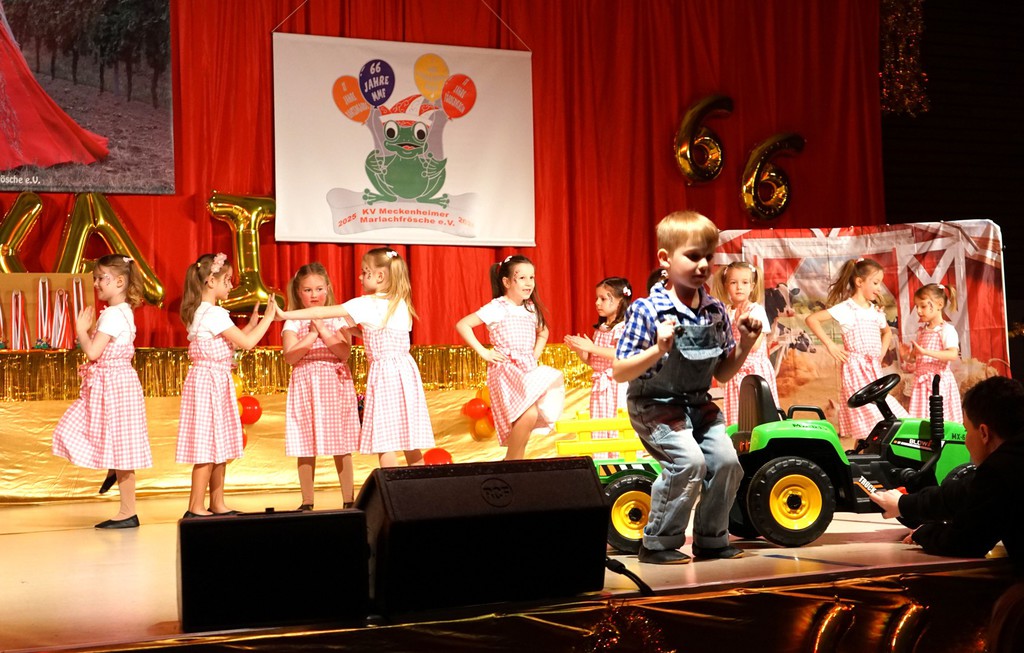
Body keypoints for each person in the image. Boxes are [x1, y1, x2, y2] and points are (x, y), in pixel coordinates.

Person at [613, 211, 762, 564]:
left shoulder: (715, 311)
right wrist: (657, 349)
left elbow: (722, 372)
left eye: (708, 256)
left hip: (698, 405)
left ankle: (711, 539)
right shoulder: (647, 310)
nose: (703, 265)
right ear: (665, 259)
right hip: (655, 404)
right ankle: (658, 544)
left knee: (727, 462)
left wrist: (745, 345)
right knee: (688, 463)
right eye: (693, 256)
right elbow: (620, 371)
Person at [867, 375, 1024, 651]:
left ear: (984, 433)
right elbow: (965, 492)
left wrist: (924, 533)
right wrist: (904, 504)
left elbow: (965, 541)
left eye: (966, 430)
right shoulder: (1009, 459)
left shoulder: (1001, 469)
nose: (966, 440)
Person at [278, 247, 434, 467]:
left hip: (385, 375)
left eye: (365, 272)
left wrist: (284, 314)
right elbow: (383, 333)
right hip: (406, 372)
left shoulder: (365, 303)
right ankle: (420, 485)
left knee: (385, 439)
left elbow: (320, 312)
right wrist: (359, 332)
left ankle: (392, 486)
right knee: (408, 436)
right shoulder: (400, 301)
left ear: (380, 276)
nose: (360, 277)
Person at [52, 255, 151, 528]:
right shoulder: (124, 311)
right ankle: (113, 469)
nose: (95, 283)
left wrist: (81, 331)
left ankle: (127, 511)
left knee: (119, 446)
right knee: (117, 441)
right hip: (118, 382)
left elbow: (94, 352)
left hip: (114, 385)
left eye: (100, 278)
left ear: (119, 282)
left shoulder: (112, 314)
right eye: (95, 278)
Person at [177, 253, 277, 518]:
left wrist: (252, 324)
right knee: (208, 446)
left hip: (213, 381)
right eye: (228, 280)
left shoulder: (203, 312)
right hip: (210, 383)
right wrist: (268, 318)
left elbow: (232, 342)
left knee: (218, 443)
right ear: (211, 281)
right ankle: (196, 506)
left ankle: (217, 502)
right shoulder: (213, 313)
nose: (231, 286)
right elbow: (247, 344)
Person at [456, 254, 565, 460]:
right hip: (506, 371)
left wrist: (533, 355)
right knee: (528, 414)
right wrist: (484, 352)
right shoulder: (498, 307)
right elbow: (463, 325)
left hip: (526, 369)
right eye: (522, 278)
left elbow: (543, 332)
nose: (529, 283)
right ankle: (511, 462)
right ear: (506, 282)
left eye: (531, 277)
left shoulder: (530, 308)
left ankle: (514, 463)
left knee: (526, 419)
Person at [281, 263, 360, 510]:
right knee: (305, 443)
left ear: (327, 288)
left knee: (341, 442)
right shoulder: (293, 321)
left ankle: (349, 499)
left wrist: (323, 329)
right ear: (298, 292)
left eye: (318, 289)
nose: (314, 295)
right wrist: (311, 334)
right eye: (307, 290)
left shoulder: (337, 318)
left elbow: (344, 352)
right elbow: (290, 356)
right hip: (305, 383)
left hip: (334, 382)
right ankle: (307, 501)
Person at [805, 257, 907, 441]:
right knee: (868, 415)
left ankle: (871, 450)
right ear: (859, 282)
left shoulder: (875, 311)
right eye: (875, 283)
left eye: (880, 283)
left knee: (886, 414)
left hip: (873, 370)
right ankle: (865, 450)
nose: (879, 288)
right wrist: (830, 345)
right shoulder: (847, 308)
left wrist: (881, 353)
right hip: (855, 370)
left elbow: (887, 333)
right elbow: (812, 319)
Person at [564, 277, 632, 446]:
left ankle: (618, 458)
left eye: (603, 299)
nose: (597, 303)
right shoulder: (602, 328)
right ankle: (602, 458)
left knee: (616, 425)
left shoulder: (622, 327)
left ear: (620, 301)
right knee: (599, 425)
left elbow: (621, 354)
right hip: (601, 386)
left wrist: (592, 348)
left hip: (616, 385)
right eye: (597, 298)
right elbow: (594, 362)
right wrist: (581, 350)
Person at [713, 261, 778, 426]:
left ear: (752, 286)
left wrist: (739, 325)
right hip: (734, 371)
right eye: (733, 282)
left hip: (755, 373)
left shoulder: (756, 311)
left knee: (759, 417)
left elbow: (754, 346)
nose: (739, 287)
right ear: (726, 285)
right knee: (738, 421)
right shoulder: (726, 312)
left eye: (744, 282)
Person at [901, 283, 963, 424]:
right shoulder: (921, 331)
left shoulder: (946, 330)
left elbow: (952, 354)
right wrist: (907, 356)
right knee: (922, 420)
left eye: (923, 306)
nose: (919, 311)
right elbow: (915, 358)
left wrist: (926, 352)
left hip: (938, 383)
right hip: (922, 384)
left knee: (939, 420)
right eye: (917, 306)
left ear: (939, 305)